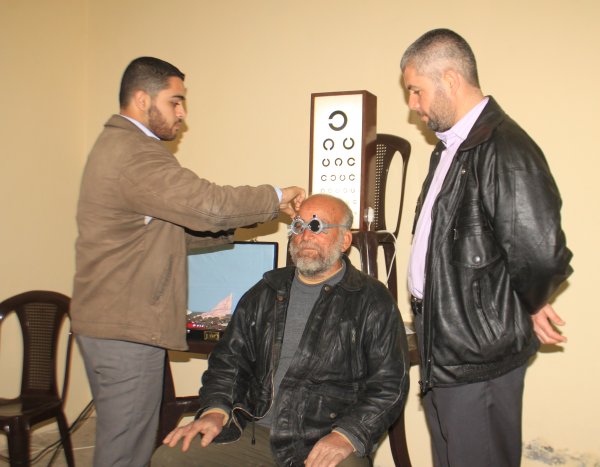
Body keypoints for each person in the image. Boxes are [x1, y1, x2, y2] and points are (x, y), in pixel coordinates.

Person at [71, 56, 305, 467]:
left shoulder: (118, 148)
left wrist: (243, 223)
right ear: (142, 99)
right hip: (124, 327)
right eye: (175, 101)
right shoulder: (135, 153)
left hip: (109, 322)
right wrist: (274, 197)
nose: (182, 113)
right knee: (126, 452)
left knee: (125, 440)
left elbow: (168, 232)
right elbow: (208, 205)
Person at [400, 29, 573, 466]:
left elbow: (540, 251)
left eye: (416, 91)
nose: (413, 105)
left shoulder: (504, 147)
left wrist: (531, 301)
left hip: (477, 354)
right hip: (446, 348)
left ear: (450, 80)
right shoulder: (451, 149)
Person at [151, 194, 410, 467]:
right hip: (253, 431)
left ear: (344, 241)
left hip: (325, 436)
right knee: (169, 458)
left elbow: (389, 385)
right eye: (298, 226)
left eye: (317, 226)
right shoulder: (264, 292)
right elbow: (228, 363)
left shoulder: (372, 300)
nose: (305, 236)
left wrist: (348, 435)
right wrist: (216, 410)